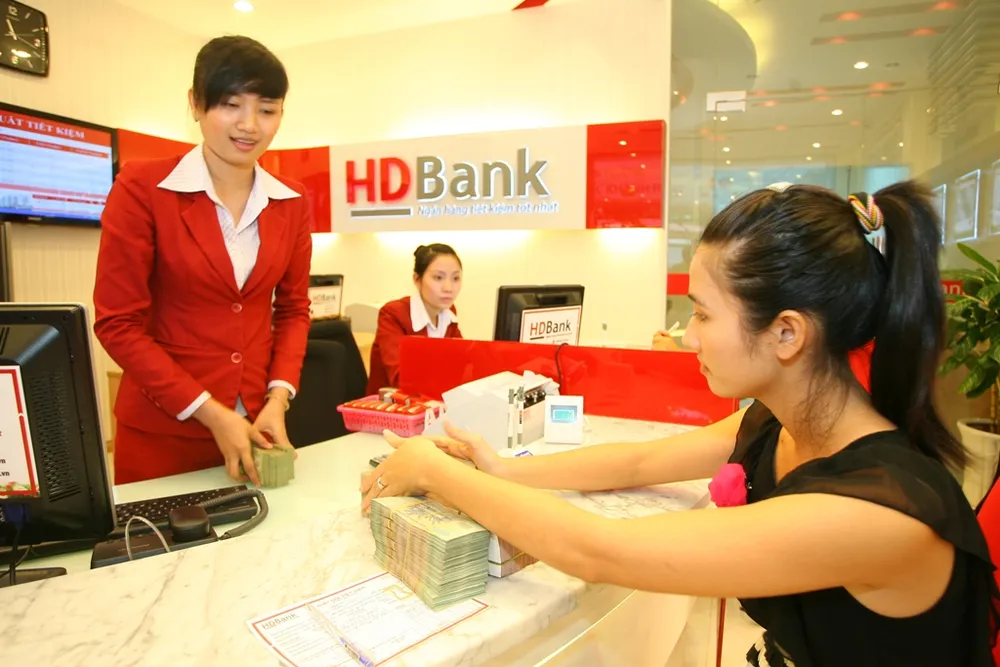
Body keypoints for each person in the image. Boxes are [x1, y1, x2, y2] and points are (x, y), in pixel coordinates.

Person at [363, 181, 1000, 666]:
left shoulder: (874, 513)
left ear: (787, 333)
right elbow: (639, 461)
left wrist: (434, 470)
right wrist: (501, 468)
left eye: (702, 314)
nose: (687, 336)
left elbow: (597, 550)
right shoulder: (776, 422)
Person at [94, 36, 312, 486]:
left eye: (267, 110)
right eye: (231, 105)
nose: (249, 125)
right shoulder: (143, 188)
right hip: (162, 435)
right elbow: (117, 323)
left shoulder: (292, 200)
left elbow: (293, 309)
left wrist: (278, 398)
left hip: (256, 427)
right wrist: (210, 412)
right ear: (195, 103)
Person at [366, 244, 463, 394]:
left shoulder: (448, 313)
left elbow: (463, 363)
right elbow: (401, 378)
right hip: (394, 405)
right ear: (417, 280)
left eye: (455, 278)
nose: (448, 288)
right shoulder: (393, 315)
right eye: (438, 278)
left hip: (435, 401)